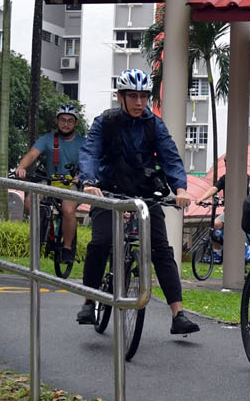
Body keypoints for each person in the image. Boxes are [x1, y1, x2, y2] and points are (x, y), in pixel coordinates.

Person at [75, 68, 201, 336]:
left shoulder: (154, 124)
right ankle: (89, 302)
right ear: (120, 97)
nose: (139, 102)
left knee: (161, 249)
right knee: (100, 242)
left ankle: (178, 314)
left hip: (145, 194)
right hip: (108, 192)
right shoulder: (105, 122)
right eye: (133, 96)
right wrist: (89, 182)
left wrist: (180, 188)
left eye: (144, 96)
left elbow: (170, 157)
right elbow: (90, 152)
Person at [14, 103, 83, 263]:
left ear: (76, 123)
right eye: (62, 120)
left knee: (68, 210)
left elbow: (90, 162)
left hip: (71, 184)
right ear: (57, 121)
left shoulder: (83, 143)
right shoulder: (47, 139)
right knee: (30, 202)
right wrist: (21, 167)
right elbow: (32, 155)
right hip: (51, 181)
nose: (66, 124)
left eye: (70, 121)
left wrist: (82, 176)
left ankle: (67, 248)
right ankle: (43, 226)